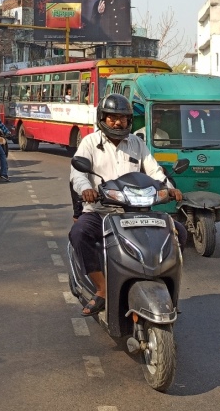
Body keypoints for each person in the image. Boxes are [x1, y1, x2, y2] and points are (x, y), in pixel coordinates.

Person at [69, 94, 183, 316]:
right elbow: (78, 173)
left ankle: (166, 287)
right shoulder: (90, 143)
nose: (117, 122)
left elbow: (154, 171)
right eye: (112, 117)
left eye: (122, 118)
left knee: (178, 233)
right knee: (79, 234)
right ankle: (101, 289)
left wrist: (169, 188)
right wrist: (87, 190)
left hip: (137, 210)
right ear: (102, 118)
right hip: (102, 211)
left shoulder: (137, 143)